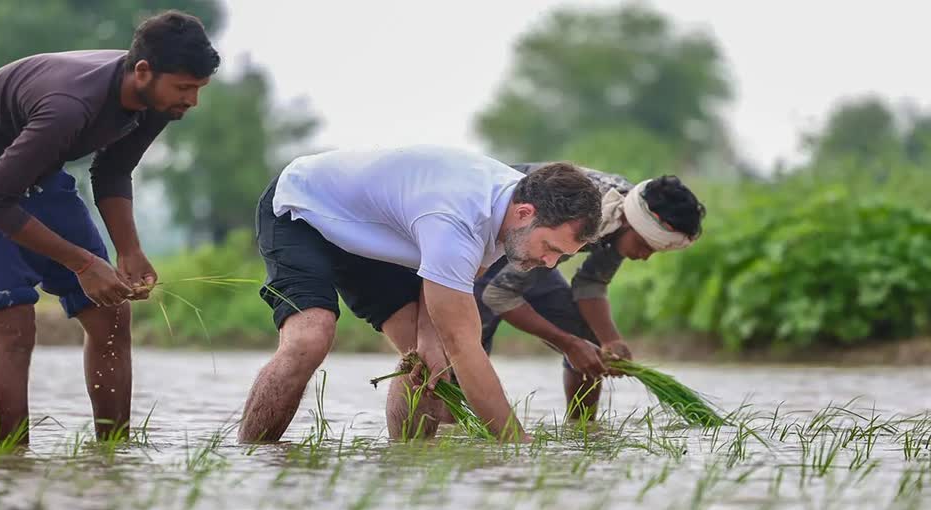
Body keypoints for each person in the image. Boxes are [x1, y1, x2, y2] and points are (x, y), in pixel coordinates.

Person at [0, 11, 220, 444]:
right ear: (142, 71)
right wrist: (83, 263)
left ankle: (113, 453)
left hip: (39, 173)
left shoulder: (158, 102)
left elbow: (112, 171)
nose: (192, 101)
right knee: (14, 325)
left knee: (111, 314)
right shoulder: (69, 107)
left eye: (198, 89)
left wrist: (128, 250)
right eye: (184, 88)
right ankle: (12, 463)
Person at [238, 146, 603, 443]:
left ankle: (410, 468)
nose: (551, 263)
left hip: (381, 236)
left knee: (430, 360)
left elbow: (448, 304)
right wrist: (517, 445)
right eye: (551, 247)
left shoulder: (512, 214)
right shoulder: (457, 219)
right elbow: (466, 347)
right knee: (311, 336)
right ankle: (253, 457)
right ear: (526, 213)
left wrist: (430, 339)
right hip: (304, 212)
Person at [475, 164, 706, 421]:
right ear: (632, 224)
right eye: (643, 245)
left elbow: (590, 283)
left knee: (588, 340)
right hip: (495, 241)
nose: (643, 256)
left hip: (540, 255)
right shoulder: (594, 215)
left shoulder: (625, 215)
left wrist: (610, 341)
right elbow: (500, 294)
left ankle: (581, 430)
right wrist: (569, 344)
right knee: (466, 350)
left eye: (652, 251)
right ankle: (449, 430)